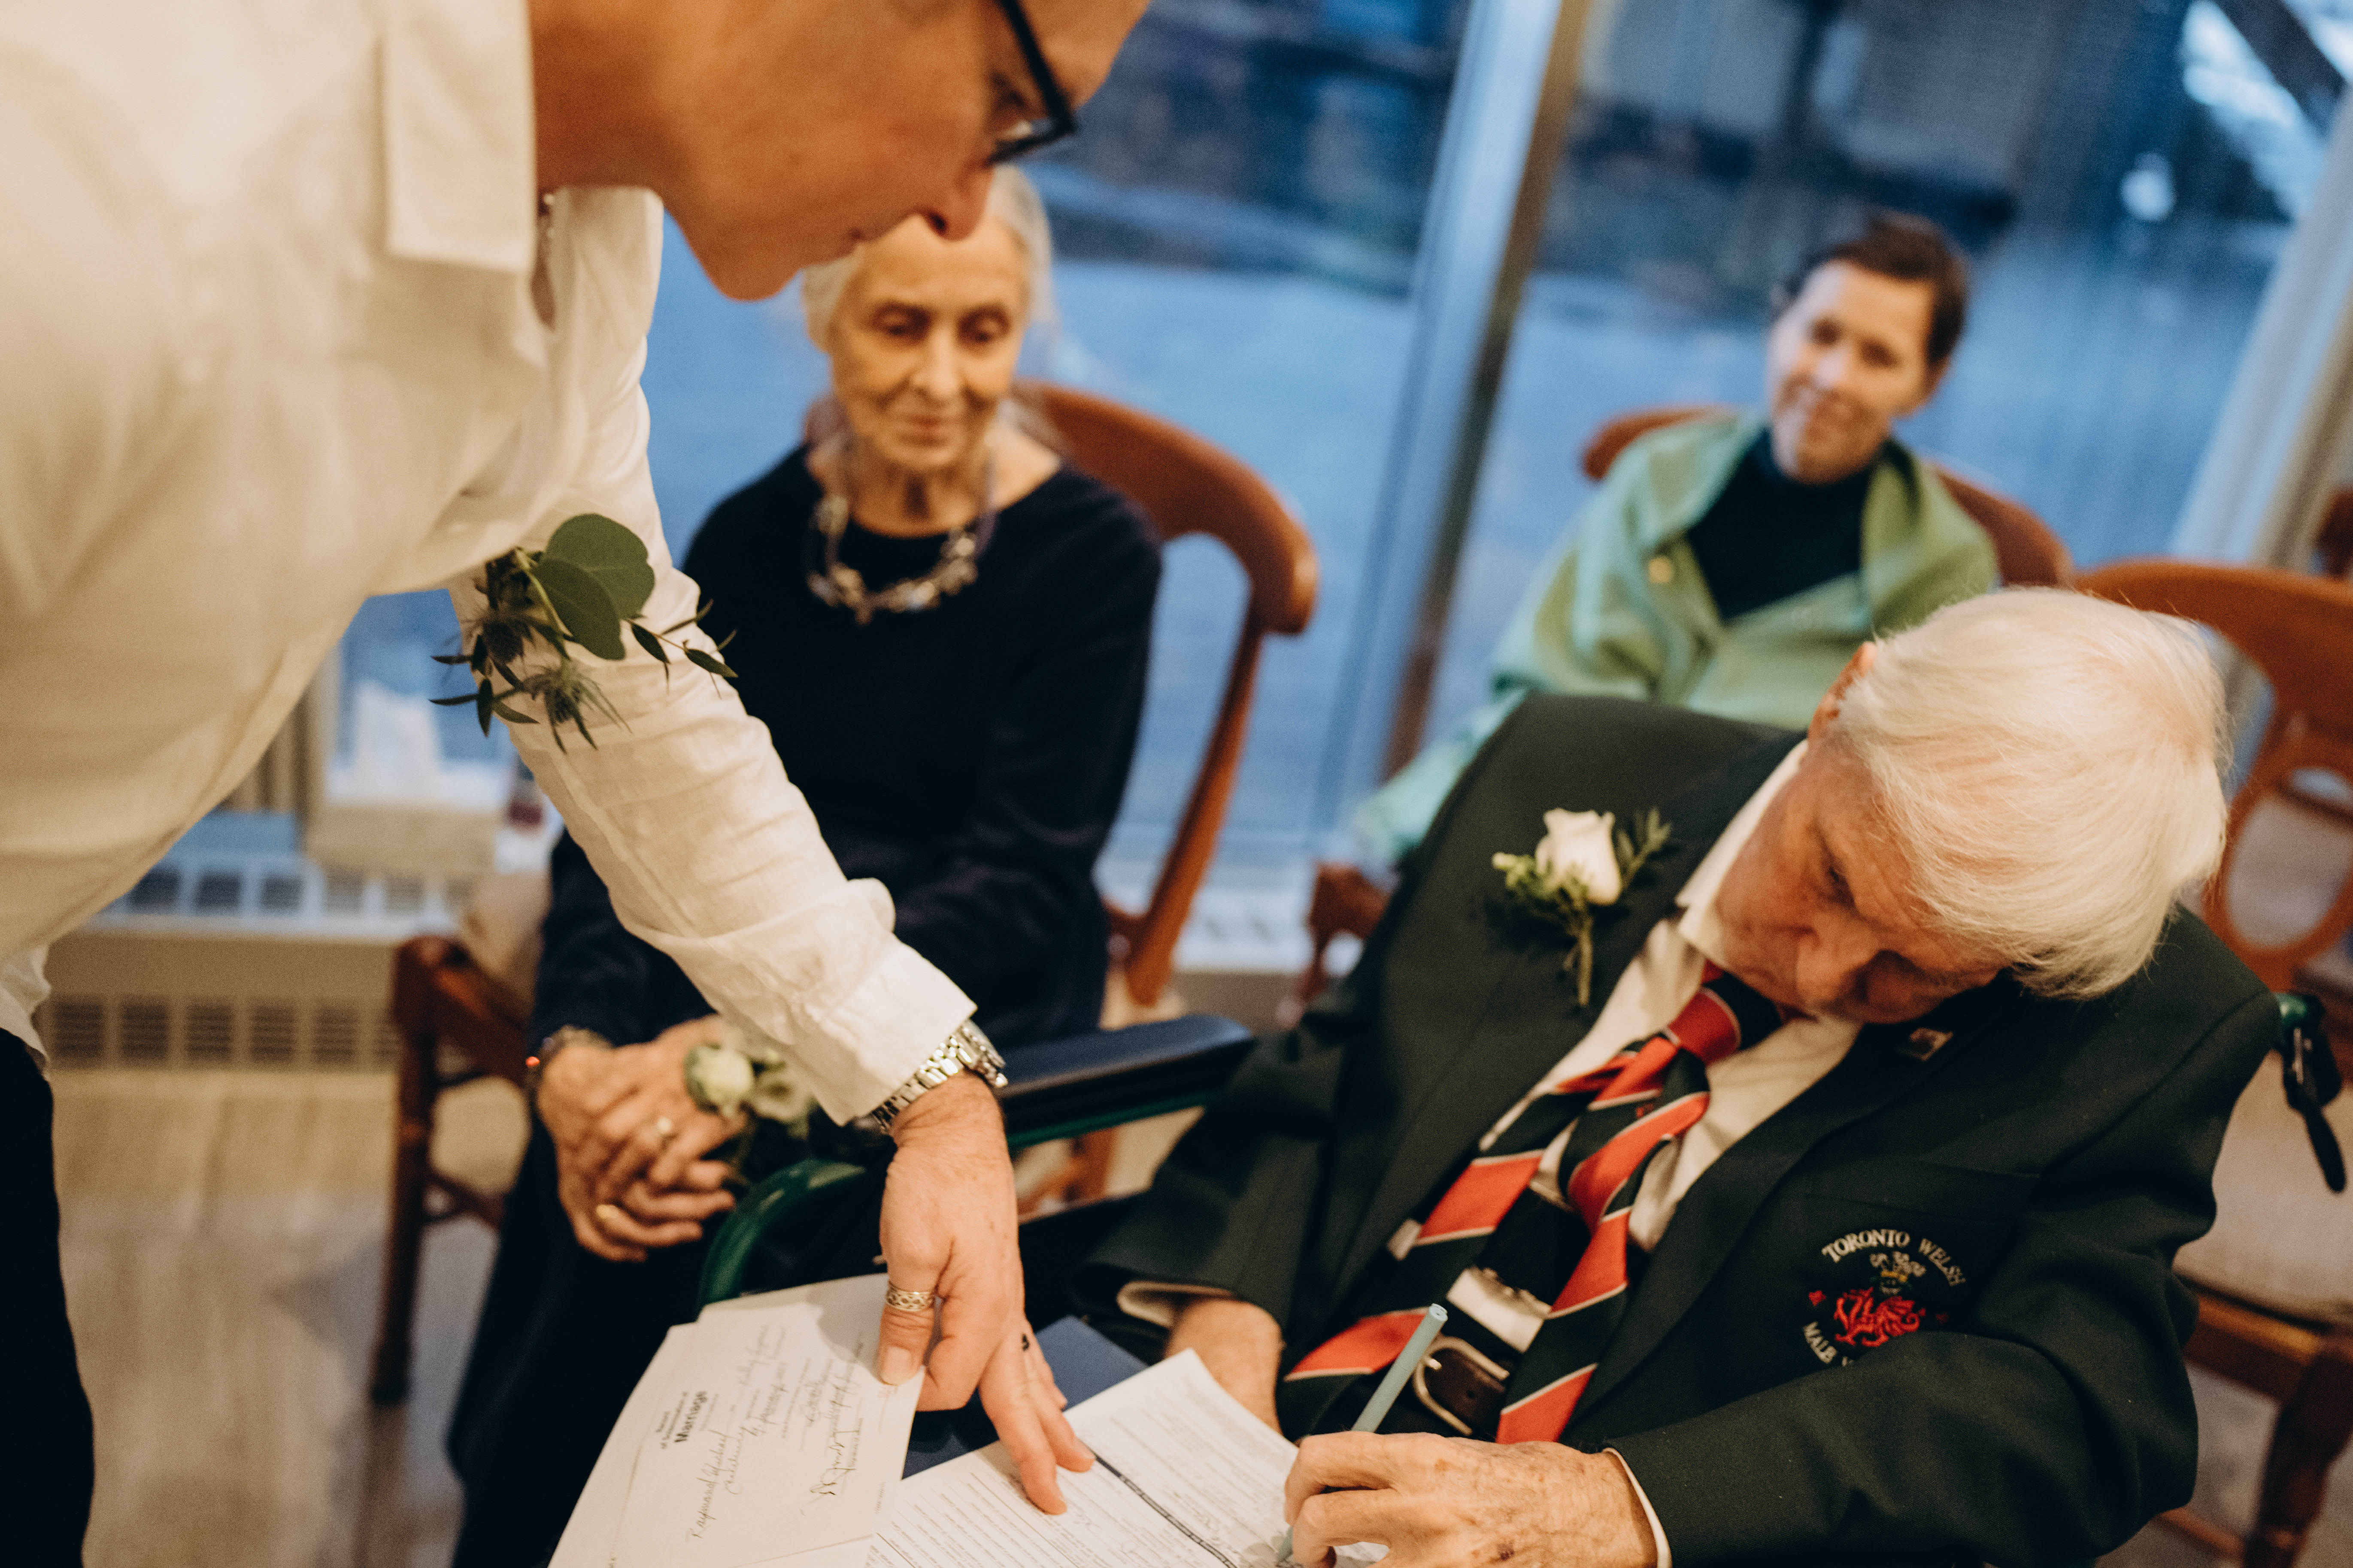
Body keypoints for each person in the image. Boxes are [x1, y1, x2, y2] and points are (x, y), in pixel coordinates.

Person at [3, 0, 1150, 1554]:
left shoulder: (588, 227)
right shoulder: (99, 169)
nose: (964, 205)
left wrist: (930, 1091)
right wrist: (592, 1049)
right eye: (1009, 101)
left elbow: (604, 672)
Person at [1079, 590, 2277, 1567]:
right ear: (1839, 701)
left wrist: (1619, 1507)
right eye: (1833, 877)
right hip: (1259, 1419)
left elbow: (2081, 1409)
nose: (1823, 971)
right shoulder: (1563, 763)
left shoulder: (2135, 1027)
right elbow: (1329, 1076)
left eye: (1918, 969)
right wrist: (1224, 1325)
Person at [447, 168, 1159, 1560]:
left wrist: (733, 1050)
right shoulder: (754, 532)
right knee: (616, 1115)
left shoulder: (1093, 558)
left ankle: (682, 1514)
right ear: (824, 322)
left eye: (983, 331)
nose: (942, 378)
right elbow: (628, 826)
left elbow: (1026, 875)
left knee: (689, 1156)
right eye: (899, 324)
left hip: (968, 965)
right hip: (747, 925)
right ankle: (544, 1498)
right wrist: (573, 1051)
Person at [1356, 213, 1997, 864]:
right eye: (1821, 334)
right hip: (1549, 796)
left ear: (1927, 384)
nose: (1833, 378)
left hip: (1748, 866)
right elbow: (1541, 682)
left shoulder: (1947, 569)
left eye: (1879, 357)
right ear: (1778, 323)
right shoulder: (1654, 476)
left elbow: (1883, 794)